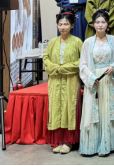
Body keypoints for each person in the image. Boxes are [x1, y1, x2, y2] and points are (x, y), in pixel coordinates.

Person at [79, 9, 114, 157]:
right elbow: (83, 64)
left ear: (108, 24)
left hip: (108, 79)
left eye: (103, 22)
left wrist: (113, 67)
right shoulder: (87, 42)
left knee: (107, 110)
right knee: (93, 110)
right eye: (97, 22)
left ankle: (107, 145)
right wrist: (91, 77)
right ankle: (91, 146)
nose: (100, 25)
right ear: (93, 24)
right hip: (94, 80)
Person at [43, 9, 83, 154]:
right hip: (55, 80)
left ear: (72, 25)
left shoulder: (77, 42)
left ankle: (68, 141)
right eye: (60, 24)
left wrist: (63, 68)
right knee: (56, 108)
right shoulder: (53, 42)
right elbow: (46, 58)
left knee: (68, 108)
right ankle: (59, 140)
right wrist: (54, 68)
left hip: (71, 80)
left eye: (66, 24)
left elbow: (82, 61)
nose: (62, 27)